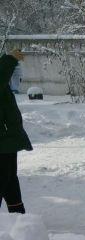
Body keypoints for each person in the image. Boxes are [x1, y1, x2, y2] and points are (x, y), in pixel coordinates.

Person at [0, 49, 33, 214]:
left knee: (10, 180)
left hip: (7, 139)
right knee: (4, 178)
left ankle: (19, 218)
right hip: (3, 140)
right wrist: (9, 59)